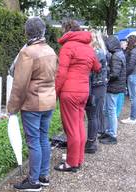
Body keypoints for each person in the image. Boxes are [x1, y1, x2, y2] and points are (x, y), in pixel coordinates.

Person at [7, 17, 57, 191]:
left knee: (34, 141)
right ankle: (43, 176)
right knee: (43, 138)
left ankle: (34, 182)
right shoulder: (50, 50)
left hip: (33, 103)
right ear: (43, 31)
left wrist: (12, 108)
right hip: (49, 101)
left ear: (27, 32)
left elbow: (19, 85)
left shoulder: (28, 52)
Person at [54, 20, 101, 172]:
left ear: (67, 31)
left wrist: (54, 92)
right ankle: (78, 159)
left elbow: (61, 74)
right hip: (83, 91)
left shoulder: (67, 47)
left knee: (71, 128)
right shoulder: (88, 48)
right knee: (80, 125)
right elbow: (97, 67)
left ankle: (71, 163)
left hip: (69, 91)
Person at [99, 35, 126, 144]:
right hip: (117, 86)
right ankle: (107, 131)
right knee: (108, 110)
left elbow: (115, 74)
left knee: (111, 111)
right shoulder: (120, 54)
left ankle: (112, 135)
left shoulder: (116, 56)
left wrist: (106, 77)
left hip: (113, 87)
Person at [85, 30, 108, 153]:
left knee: (93, 116)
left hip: (96, 86)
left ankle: (91, 143)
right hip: (98, 86)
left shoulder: (97, 53)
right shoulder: (100, 51)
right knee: (94, 115)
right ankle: (91, 141)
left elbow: (90, 71)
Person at [121, 35, 136, 125]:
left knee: (133, 98)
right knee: (134, 97)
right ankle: (133, 117)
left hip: (132, 75)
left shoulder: (135, 50)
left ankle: (133, 118)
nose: (126, 43)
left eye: (127, 41)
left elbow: (130, 65)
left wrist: (125, 74)